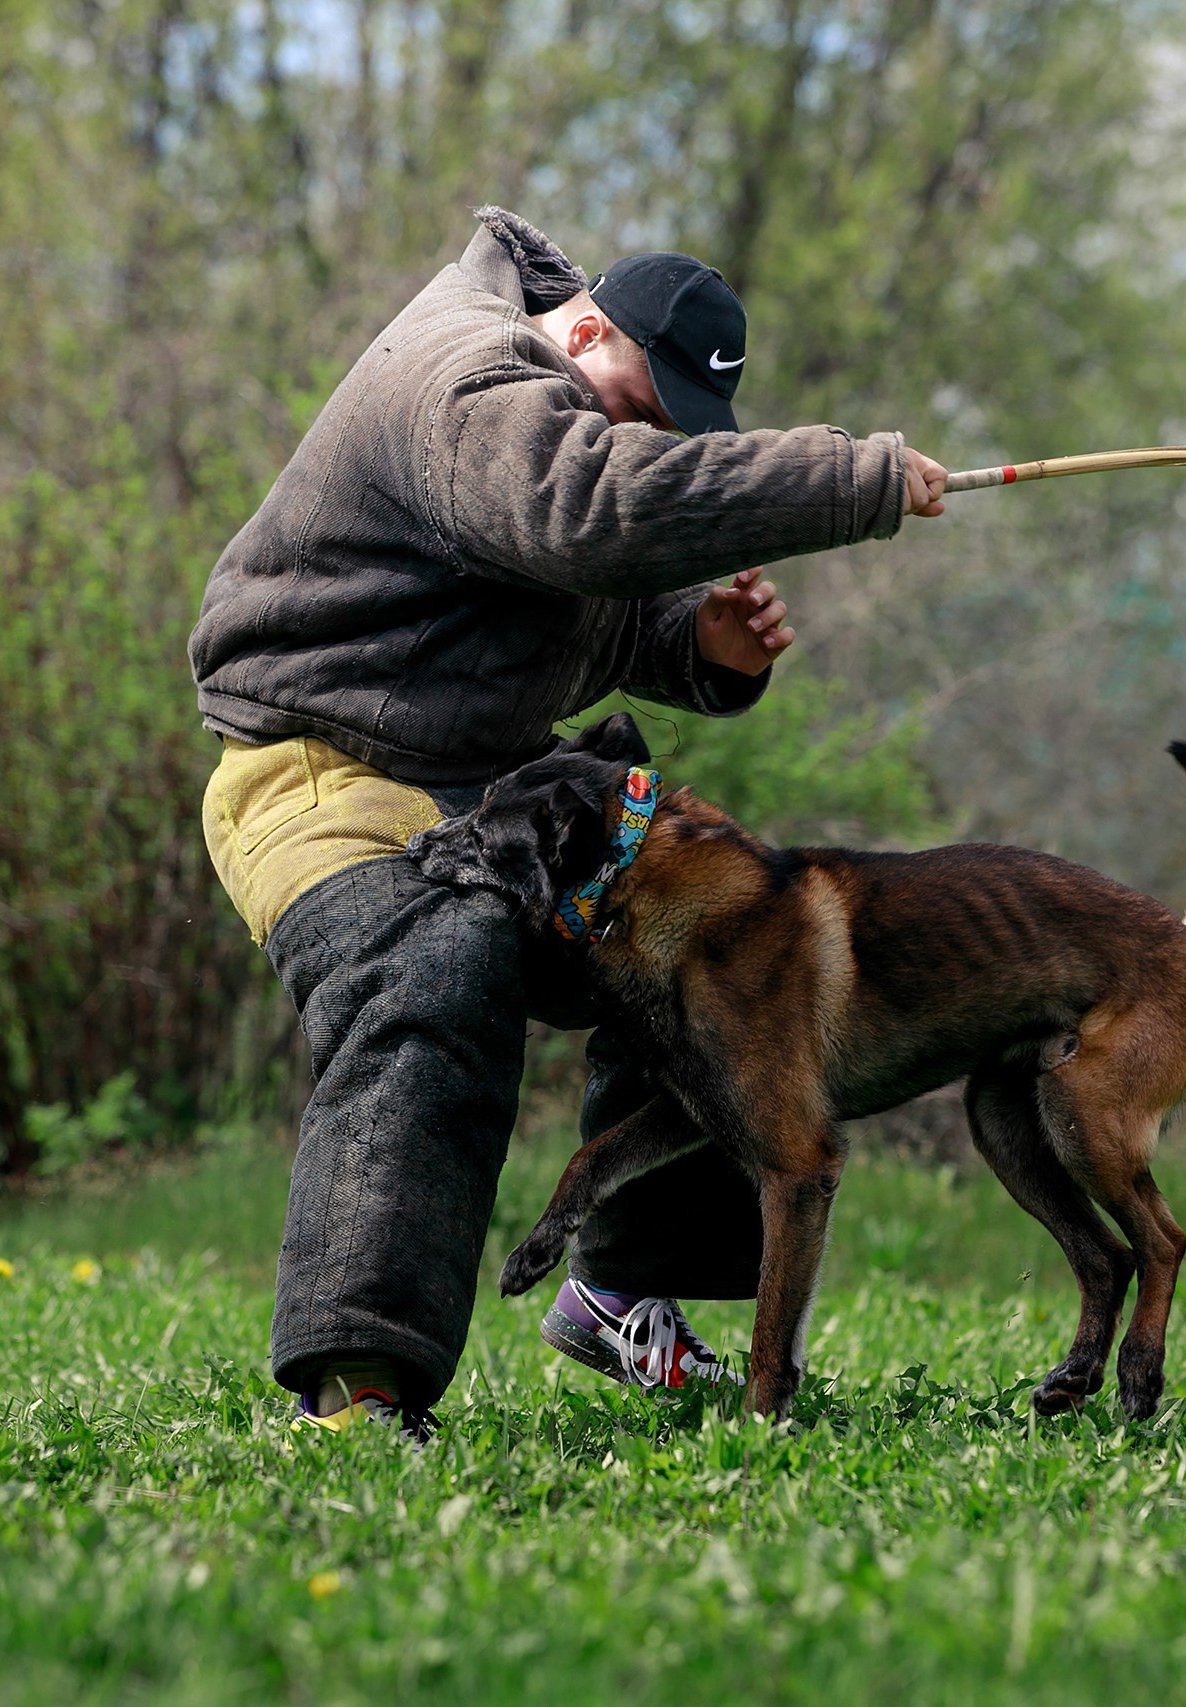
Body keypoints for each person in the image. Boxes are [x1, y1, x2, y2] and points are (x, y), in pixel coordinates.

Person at [190, 207, 948, 1431]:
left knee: (721, 930)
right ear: (582, 325)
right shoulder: (466, 378)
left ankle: (624, 1295)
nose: (642, 440)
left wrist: (698, 645)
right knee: (432, 969)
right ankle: (361, 1381)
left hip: (486, 776)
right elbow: (582, 513)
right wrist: (846, 476)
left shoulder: (557, 401)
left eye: (667, 431)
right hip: (317, 770)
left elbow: (569, 595)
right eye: (641, 412)